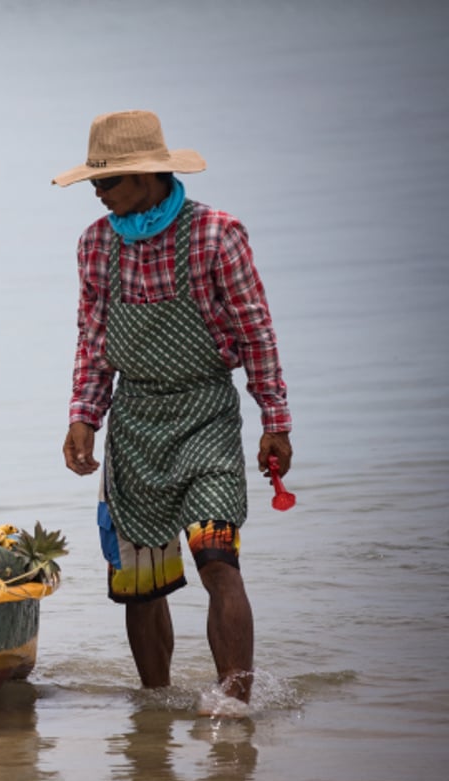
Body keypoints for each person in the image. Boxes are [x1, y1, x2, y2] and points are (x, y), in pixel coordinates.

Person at [52, 110, 292, 712]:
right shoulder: (97, 244)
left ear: (149, 174)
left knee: (218, 561)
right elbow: (93, 339)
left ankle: (235, 704)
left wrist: (274, 421)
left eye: (109, 183)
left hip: (205, 417)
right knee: (140, 585)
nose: (100, 196)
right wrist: (85, 415)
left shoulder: (216, 234)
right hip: (134, 424)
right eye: (95, 186)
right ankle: (155, 713)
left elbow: (256, 332)